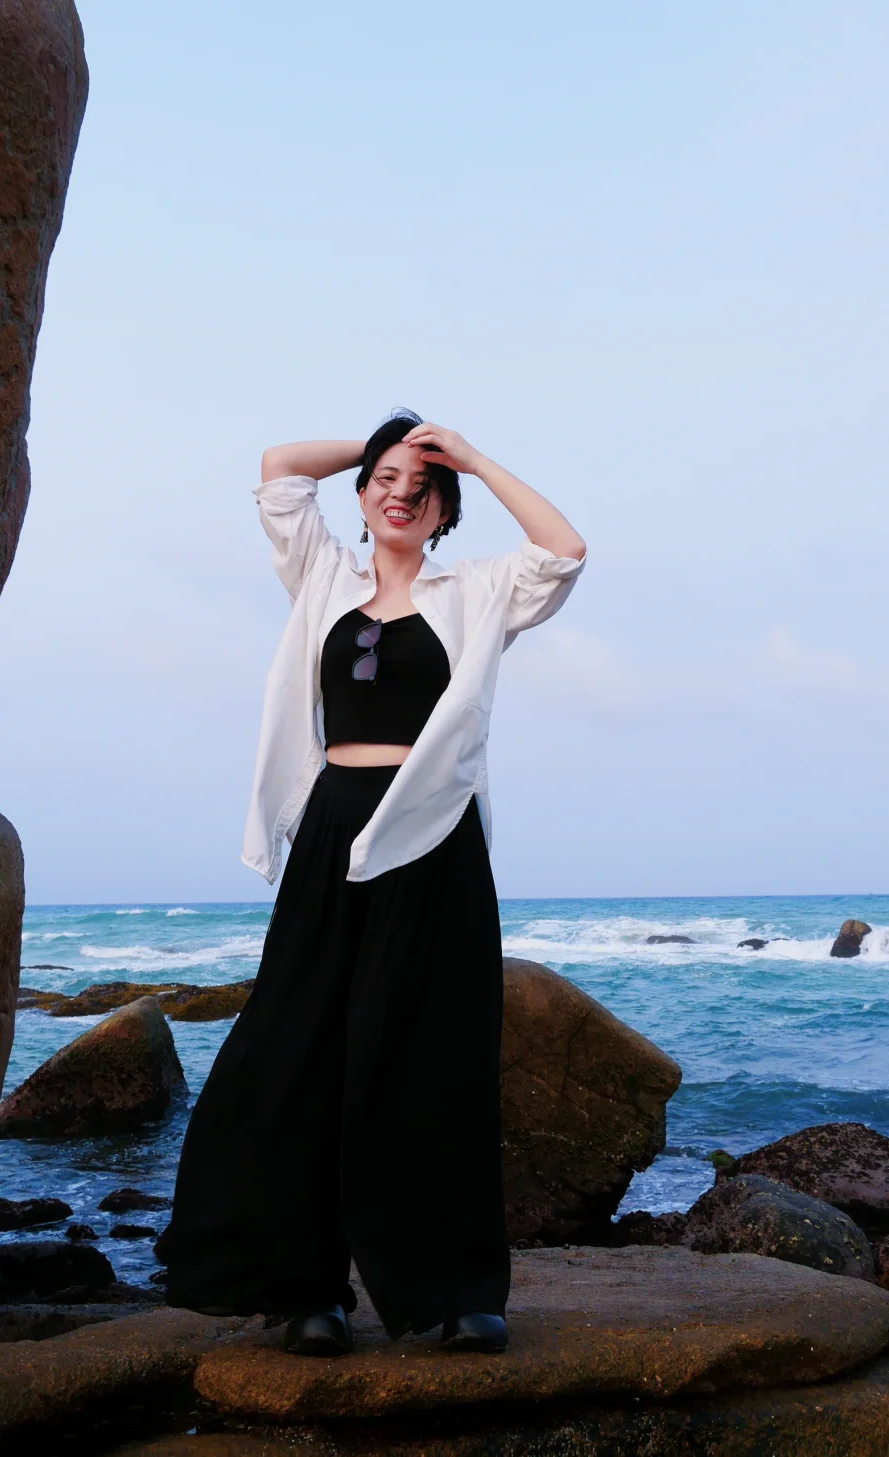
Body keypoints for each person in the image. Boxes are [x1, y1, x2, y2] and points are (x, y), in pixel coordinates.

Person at [163, 411, 585, 1355]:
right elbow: (280, 467)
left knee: (435, 1056)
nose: (401, 494)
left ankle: (455, 1291)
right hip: (332, 831)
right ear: (360, 495)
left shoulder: (477, 591)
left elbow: (564, 548)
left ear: (444, 513)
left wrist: (467, 455)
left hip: (432, 834)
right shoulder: (323, 575)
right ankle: (305, 1288)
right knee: (298, 1047)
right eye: (386, 481)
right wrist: (386, 444)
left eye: (422, 488)